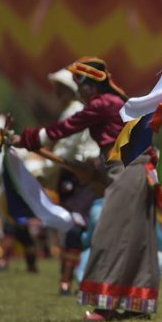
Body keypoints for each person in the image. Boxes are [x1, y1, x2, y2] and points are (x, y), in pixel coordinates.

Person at [14, 58, 158, 322]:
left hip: (127, 170)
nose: (78, 91)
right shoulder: (112, 103)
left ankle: (106, 305)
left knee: (109, 234)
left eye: (80, 85)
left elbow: (66, 127)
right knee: (135, 236)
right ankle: (136, 304)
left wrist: (27, 139)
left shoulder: (103, 104)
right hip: (132, 170)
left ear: (91, 87)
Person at [37, 68, 101, 295]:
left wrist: (41, 170)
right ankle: (72, 280)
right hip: (71, 174)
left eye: (61, 88)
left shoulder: (74, 111)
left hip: (78, 175)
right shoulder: (70, 110)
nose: (56, 92)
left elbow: (66, 148)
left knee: (74, 227)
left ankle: (69, 281)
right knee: (74, 227)